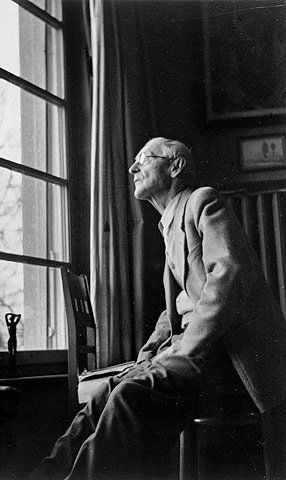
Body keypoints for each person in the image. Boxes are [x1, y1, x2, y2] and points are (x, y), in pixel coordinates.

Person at [30, 137, 286, 480]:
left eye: (144, 160)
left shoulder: (201, 201)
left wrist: (186, 351)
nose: (133, 168)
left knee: (128, 397)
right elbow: (176, 309)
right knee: (102, 397)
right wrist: (148, 354)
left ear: (175, 167)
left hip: (230, 357)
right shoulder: (168, 223)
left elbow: (228, 276)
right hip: (200, 352)